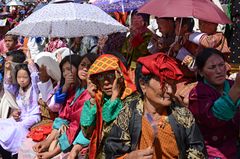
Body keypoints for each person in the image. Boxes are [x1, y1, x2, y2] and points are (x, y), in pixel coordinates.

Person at [103, 53, 206, 159]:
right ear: (143, 84)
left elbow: (198, 152)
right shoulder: (128, 113)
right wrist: (129, 157)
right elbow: (111, 152)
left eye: (173, 83)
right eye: (164, 84)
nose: (170, 90)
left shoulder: (183, 115)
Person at [32, 54, 97, 159]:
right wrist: (47, 141)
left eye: (89, 66)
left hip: (79, 141)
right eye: (83, 65)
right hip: (67, 135)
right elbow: (63, 116)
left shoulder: (90, 94)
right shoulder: (75, 89)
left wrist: (52, 153)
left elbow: (76, 125)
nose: (85, 69)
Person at [79, 54, 138, 159]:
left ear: (120, 76)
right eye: (100, 77)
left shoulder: (133, 101)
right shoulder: (101, 100)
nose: (106, 82)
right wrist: (93, 99)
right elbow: (87, 133)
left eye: (111, 76)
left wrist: (115, 96)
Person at [188, 48, 240, 159]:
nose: (219, 71)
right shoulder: (197, 94)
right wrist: (237, 89)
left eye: (221, 65)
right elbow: (214, 117)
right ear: (201, 72)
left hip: (235, 147)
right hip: (211, 152)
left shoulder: (231, 85)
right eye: (212, 67)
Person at [0, 58, 40, 159]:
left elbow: (35, 77)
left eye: (25, 77)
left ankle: (17, 152)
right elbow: (7, 86)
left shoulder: (34, 88)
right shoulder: (18, 90)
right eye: (19, 77)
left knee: (19, 128)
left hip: (33, 116)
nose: (22, 80)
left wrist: (31, 64)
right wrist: (8, 70)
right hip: (21, 117)